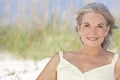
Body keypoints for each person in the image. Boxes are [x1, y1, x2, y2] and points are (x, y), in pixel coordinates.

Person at [36, 2, 120, 80]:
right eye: (87, 25)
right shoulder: (60, 59)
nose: (93, 32)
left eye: (100, 26)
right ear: (79, 29)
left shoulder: (116, 62)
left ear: (106, 30)